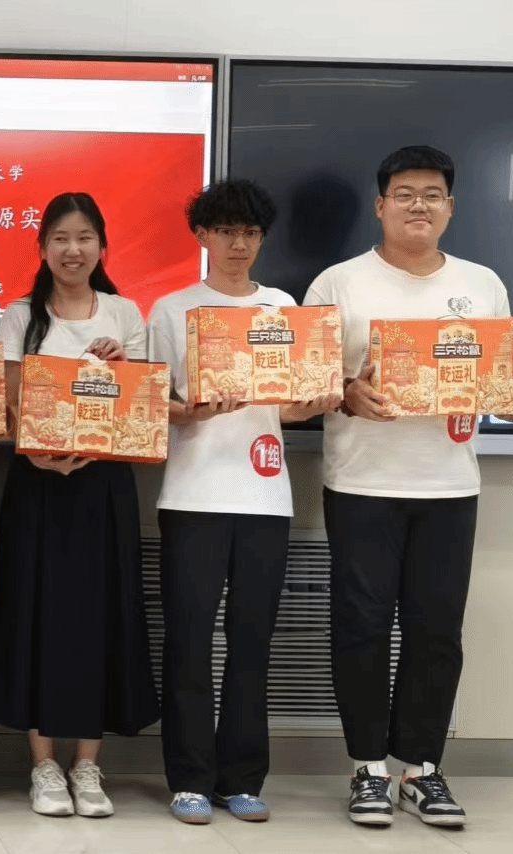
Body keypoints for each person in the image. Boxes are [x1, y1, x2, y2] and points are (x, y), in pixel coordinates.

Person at [304, 145, 513, 828]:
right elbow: (305, 384)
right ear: (380, 205)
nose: (418, 205)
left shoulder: (483, 284)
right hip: (361, 482)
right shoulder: (338, 283)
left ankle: (421, 769)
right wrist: (349, 393)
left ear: (451, 207)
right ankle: (367, 769)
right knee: (363, 628)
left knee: (437, 633)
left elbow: (506, 384)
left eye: (432, 194)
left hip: (449, 485)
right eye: (404, 194)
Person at [146, 180, 341, 825]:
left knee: (253, 641)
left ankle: (243, 778)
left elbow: (288, 406)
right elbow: (153, 404)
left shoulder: (282, 307)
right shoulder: (172, 309)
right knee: (189, 640)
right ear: (202, 234)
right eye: (226, 231)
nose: (239, 244)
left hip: (265, 494)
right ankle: (189, 778)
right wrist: (193, 410)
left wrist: (315, 403)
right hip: (193, 492)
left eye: (250, 232)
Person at [0, 191, 157, 819]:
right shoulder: (19, 316)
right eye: (59, 237)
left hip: (103, 484)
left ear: (101, 247)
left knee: (100, 615)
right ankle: (43, 766)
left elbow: (140, 408)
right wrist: (37, 455)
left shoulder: (124, 313)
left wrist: (121, 366)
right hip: (37, 483)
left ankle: (87, 764)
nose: (72, 249)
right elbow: (7, 409)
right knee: (36, 613)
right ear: (42, 248)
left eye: (84, 237)